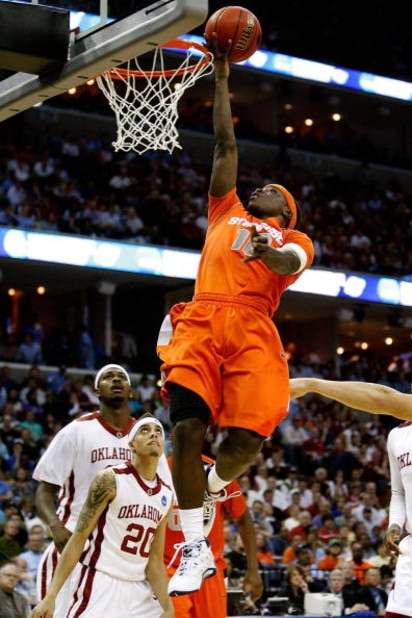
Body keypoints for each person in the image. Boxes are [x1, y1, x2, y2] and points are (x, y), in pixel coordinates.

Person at [157, 33, 314, 597]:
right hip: (201, 319)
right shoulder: (225, 208)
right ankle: (195, 545)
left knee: (246, 440)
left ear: (286, 211)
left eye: (276, 190)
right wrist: (221, 77)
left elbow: (288, 259)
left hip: (251, 324)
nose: (264, 186)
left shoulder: (293, 237)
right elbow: (226, 146)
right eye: (263, 185)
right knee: (185, 428)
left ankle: (217, 483)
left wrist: (262, 250)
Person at [32, 364, 171, 617]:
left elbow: (161, 501)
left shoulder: (147, 438)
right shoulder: (77, 431)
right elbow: (44, 491)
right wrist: (56, 527)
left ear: (131, 391)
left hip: (118, 557)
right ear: (97, 390)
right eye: (108, 377)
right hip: (73, 542)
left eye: (122, 378)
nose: (116, 380)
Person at [164, 455, 263, 618]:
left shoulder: (218, 471)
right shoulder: (158, 471)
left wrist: (253, 569)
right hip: (168, 568)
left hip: (209, 570)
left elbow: (244, 518)